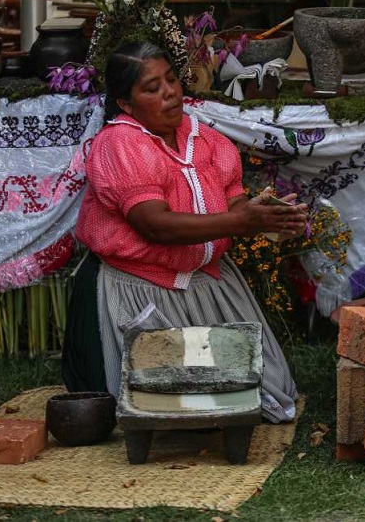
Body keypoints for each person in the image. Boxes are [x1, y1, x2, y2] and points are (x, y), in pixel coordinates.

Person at [61, 41, 308, 423]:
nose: (170, 92)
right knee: (178, 402)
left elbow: (234, 204)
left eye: (172, 80)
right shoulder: (120, 144)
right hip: (139, 285)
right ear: (126, 104)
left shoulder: (208, 140)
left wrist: (266, 216)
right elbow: (155, 226)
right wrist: (241, 222)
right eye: (152, 88)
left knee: (270, 393)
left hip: (211, 283)